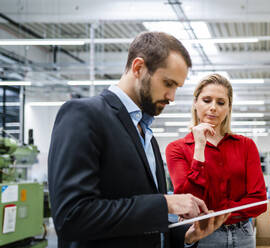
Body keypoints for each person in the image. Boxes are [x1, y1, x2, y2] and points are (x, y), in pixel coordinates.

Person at [48, 32, 229, 248]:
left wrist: (186, 236)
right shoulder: (83, 115)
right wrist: (165, 204)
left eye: (176, 88)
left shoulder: (147, 135)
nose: (171, 96)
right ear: (138, 68)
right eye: (167, 83)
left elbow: (144, 227)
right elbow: (71, 217)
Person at [165, 74, 267, 248]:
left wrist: (212, 211)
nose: (213, 107)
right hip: (203, 235)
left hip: (244, 235)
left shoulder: (246, 146)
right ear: (195, 103)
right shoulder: (177, 149)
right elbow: (187, 205)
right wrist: (199, 147)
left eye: (221, 102)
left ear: (228, 108)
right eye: (206, 100)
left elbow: (258, 201)